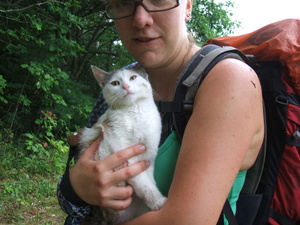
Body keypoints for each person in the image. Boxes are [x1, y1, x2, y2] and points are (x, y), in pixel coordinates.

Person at [57, 0, 265, 224]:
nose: (140, 19)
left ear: (187, 7)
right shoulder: (119, 85)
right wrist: (73, 189)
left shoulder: (229, 80)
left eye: (157, 0)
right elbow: (82, 205)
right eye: (123, 3)